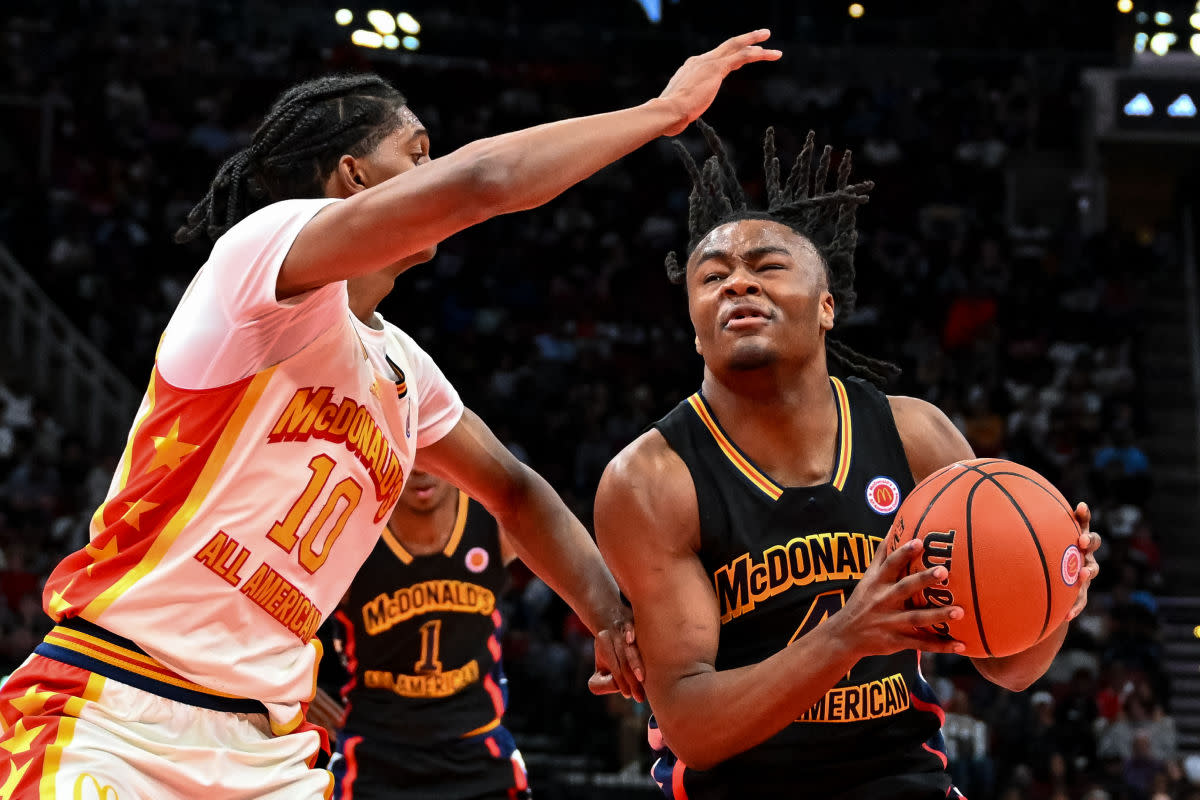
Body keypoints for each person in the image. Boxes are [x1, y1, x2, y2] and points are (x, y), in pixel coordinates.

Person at [0, 33, 781, 799]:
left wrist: (612, 614)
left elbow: (513, 490)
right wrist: (661, 111)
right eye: (415, 152)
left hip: (266, 750)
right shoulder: (260, 262)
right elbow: (483, 182)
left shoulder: (406, 369)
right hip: (114, 703)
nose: (430, 170)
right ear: (352, 174)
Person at [593, 124, 1102, 799]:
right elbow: (692, 726)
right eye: (711, 277)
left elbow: (1009, 667)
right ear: (693, 323)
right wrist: (846, 636)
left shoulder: (915, 436)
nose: (737, 283)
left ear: (828, 306)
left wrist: (1053, 594)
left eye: (767, 266)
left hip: (900, 778)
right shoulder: (651, 480)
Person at [313, 469, 529, 800]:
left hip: (478, 749)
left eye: (433, 452)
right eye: (413, 452)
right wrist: (311, 703)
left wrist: (606, 619)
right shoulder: (347, 531)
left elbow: (563, 527)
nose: (420, 470)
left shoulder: (495, 518)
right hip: (375, 757)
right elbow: (266, 632)